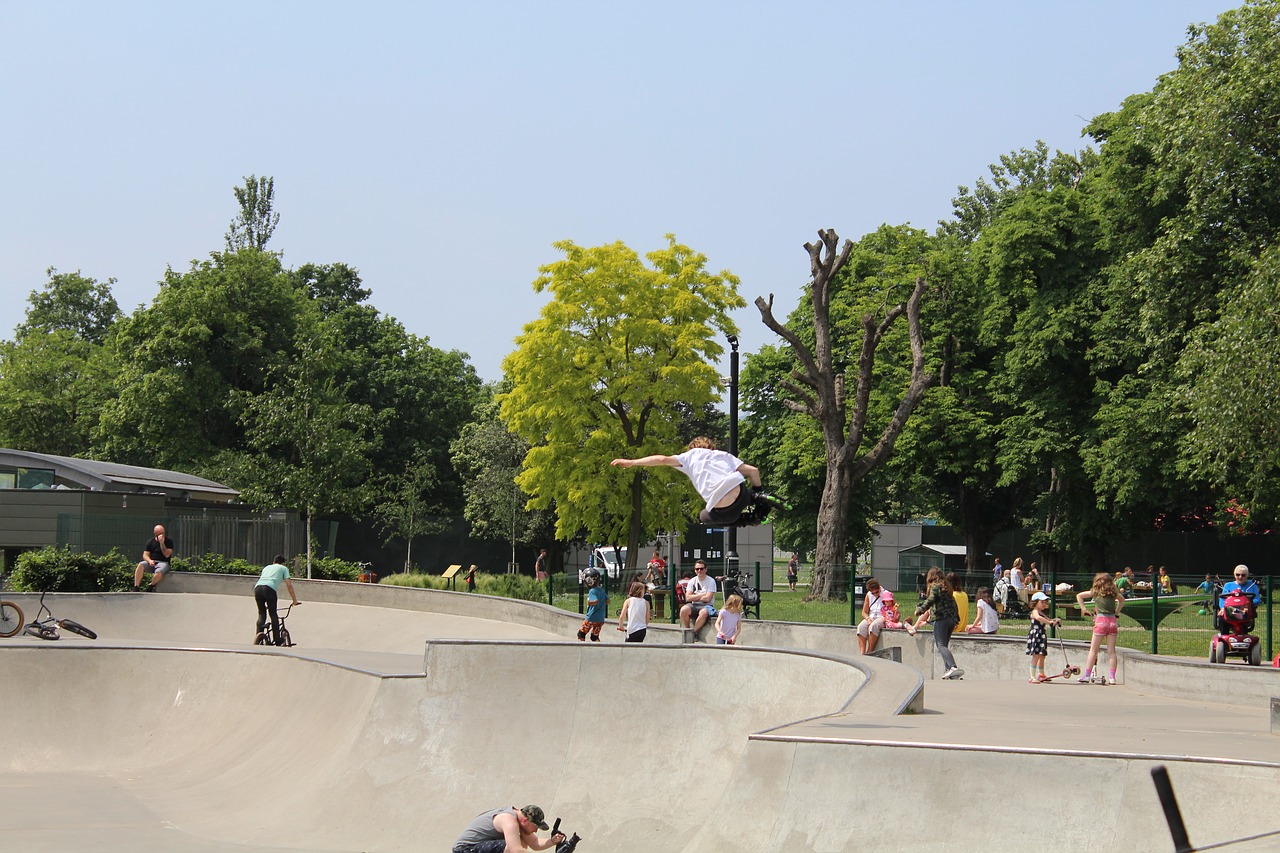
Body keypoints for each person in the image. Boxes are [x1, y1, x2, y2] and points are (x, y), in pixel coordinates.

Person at [610, 437, 763, 526]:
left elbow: (662, 459)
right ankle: (757, 498)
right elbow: (753, 471)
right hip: (740, 491)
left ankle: (746, 520)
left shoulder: (688, 457)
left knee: (704, 516)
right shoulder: (722, 454)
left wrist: (632, 462)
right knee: (746, 493)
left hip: (721, 504)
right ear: (711, 447)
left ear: (691, 448)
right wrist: (757, 492)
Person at [908, 567, 963, 680]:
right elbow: (953, 604)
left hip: (940, 619)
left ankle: (953, 667)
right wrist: (956, 619)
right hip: (951, 619)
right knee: (944, 645)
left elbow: (930, 600)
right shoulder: (947, 588)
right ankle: (948, 670)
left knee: (940, 645)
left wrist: (920, 610)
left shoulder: (935, 586)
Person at [450, 804, 565, 853]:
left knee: (520, 842)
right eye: (535, 827)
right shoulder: (509, 821)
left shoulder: (520, 821)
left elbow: (534, 843)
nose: (536, 831)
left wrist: (552, 841)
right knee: (513, 846)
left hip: (478, 848)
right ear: (526, 820)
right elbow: (515, 850)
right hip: (463, 850)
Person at [1076, 572, 1124, 685]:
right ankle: (1112, 677)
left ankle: (1087, 675)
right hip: (1112, 622)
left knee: (1093, 650)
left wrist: (1083, 609)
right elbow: (1122, 600)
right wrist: (1116, 611)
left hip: (1101, 621)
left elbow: (1079, 596)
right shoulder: (1114, 594)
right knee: (1112, 651)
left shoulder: (1096, 593)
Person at [254, 554, 301, 645]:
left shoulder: (266, 567)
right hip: (270, 589)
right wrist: (294, 600)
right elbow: (289, 585)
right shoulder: (284, 569)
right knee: (273, 614)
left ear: (273, 562)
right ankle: (277, 639)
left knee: (261, 614)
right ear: (283, 563)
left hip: (258, 589)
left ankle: (258, 637)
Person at [1026, 591, 1061, 683]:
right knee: (1036, 655)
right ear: (1035, 602)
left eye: (1045, 602)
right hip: (1036, 635)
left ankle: (1041, 674)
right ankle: (1032, 676)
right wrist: (1049, 622)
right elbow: (1038, 618)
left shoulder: (1041, 612)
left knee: (1042, 655)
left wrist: (1054, 620)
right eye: (1042, 602)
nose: (1044, 604)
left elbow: (1048, 620)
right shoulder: (1035, 612)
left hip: (1041, 635)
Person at [679, 560, 717, 638]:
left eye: (701, 569)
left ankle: (694, 632)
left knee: (704, 612)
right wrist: (702, 594)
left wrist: (695, 595)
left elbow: (708, 599)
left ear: (706, 569)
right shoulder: (692, 581)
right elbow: (688, 597)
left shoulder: (711, 581)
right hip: (694, 605)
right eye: (697, 569)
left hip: (707, 605)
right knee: (683, 610)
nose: (699, 571)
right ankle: (688, 630)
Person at [1217, 565, 1261, 630]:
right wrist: (1223, 608)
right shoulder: (1228, 585)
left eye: (1243, 575)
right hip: (1230, 612)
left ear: (1247, 575)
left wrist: (1247, 603)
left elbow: (1257, 600)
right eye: (1238, 575)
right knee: (1222, 617)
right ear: (1235, 575)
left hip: (1245, 612)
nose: (1240, 577)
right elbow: (1222, 599)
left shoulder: (1252, 585)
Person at [133, 524, 175, 591]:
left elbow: (167, 554)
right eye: (159, 533)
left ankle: (151, 585)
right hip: (152, 561)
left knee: (159, 570)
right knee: (141, 565)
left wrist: (162, 543)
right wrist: (149, 561)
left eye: (163, 533)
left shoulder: (169, 541)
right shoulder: (150, 542)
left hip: (163, 562)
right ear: (155, 534)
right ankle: (136, 586)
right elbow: (145, 554)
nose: (162, 535)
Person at [856, 577, 887, 654]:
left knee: (874, 626)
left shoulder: (886, 594)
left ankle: (870, 651)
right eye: (873, 593)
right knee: (861, 627)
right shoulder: (869, 595)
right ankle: (862, 653)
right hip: (872, 616)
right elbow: (864, 612)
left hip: (882, 617)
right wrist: (867, 618)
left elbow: (891, 609)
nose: (875, 594)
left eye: (877, 592)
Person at [577, 569, 609, 642]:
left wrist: (589, 603)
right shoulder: (602, 590)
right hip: (600, 619)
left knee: (581, 634)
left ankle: (581, 648)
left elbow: (595, 601)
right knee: (594, 636)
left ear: (589, 581)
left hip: (591, 618)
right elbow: (608, 601)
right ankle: (599, 649)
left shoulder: (592, 591)